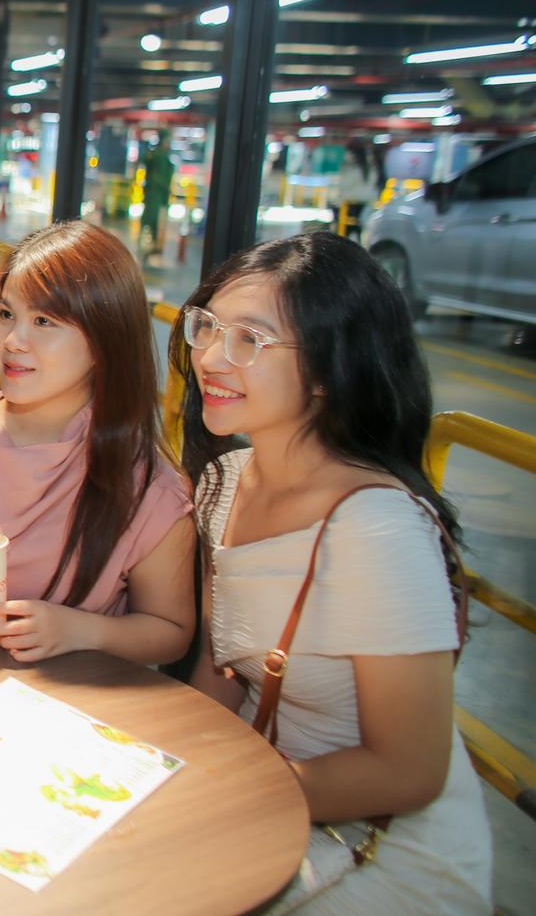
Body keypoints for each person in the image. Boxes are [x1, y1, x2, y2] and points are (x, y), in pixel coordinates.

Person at [177, 233, 492, 913]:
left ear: (327, 367)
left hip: (381, 852)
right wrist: (170, 771)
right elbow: (219, 671)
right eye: (208, 327)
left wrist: (226, 793)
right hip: (267, 804)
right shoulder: (224, 482)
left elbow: (409, 771)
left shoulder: (376, 526)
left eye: (249, 339)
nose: (210, 357)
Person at [0, 221, 196, 664]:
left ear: (105, 339)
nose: (13, 341)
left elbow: (171, 630)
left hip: (74, 698)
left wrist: (81, 630)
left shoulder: (151, 488)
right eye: (6, 314)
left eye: (44, 321)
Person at [140, 128, 174, 263]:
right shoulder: (160, 156)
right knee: (152, 219)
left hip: (156, 194)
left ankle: (152, 245)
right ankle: (151, 245)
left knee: (151, 219)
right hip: (155, 194)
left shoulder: (156, 155)